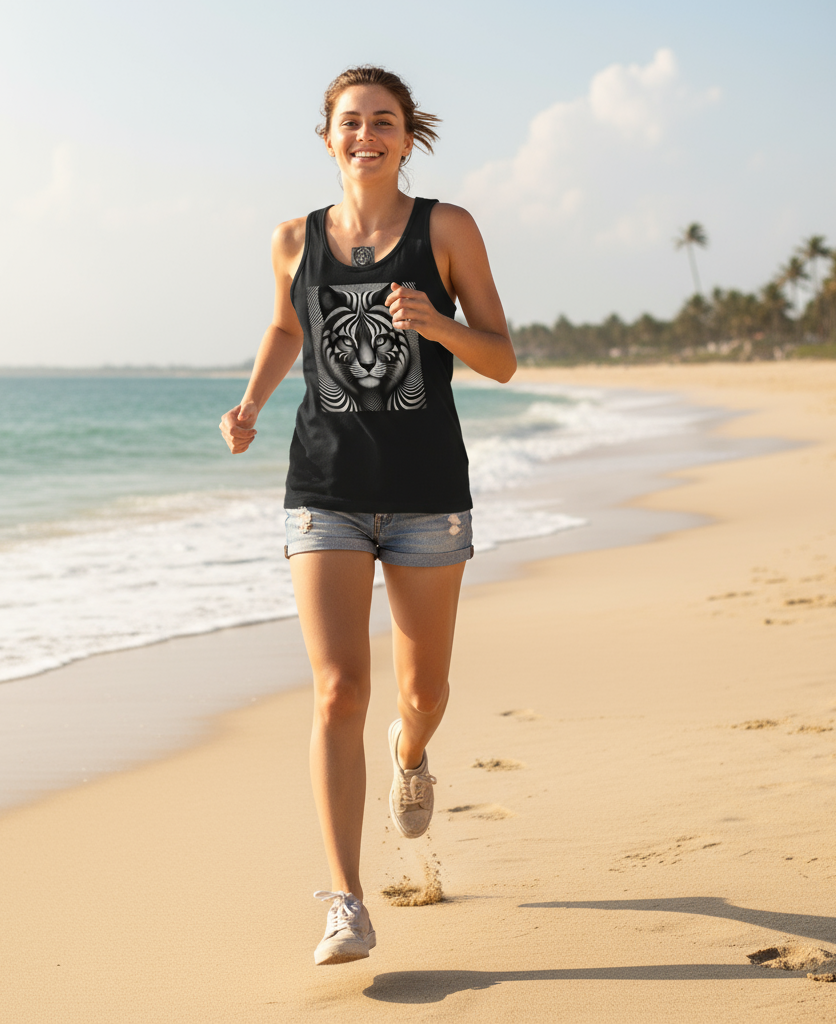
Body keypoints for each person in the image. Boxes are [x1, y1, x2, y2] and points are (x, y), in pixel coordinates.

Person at [219, 65, 515, 966]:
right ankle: (346, 900)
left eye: (383, 122)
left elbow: (501, 358)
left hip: (428, 495)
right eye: (350, 123)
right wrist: (253, 402)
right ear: (327, 137)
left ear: (406, 135)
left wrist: (436, 323)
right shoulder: (291, 240)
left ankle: (412, 751)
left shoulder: (447, 229)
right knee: (338, 688)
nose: (366, 136)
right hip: (326, 492)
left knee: (421, 696)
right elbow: (285, 329)